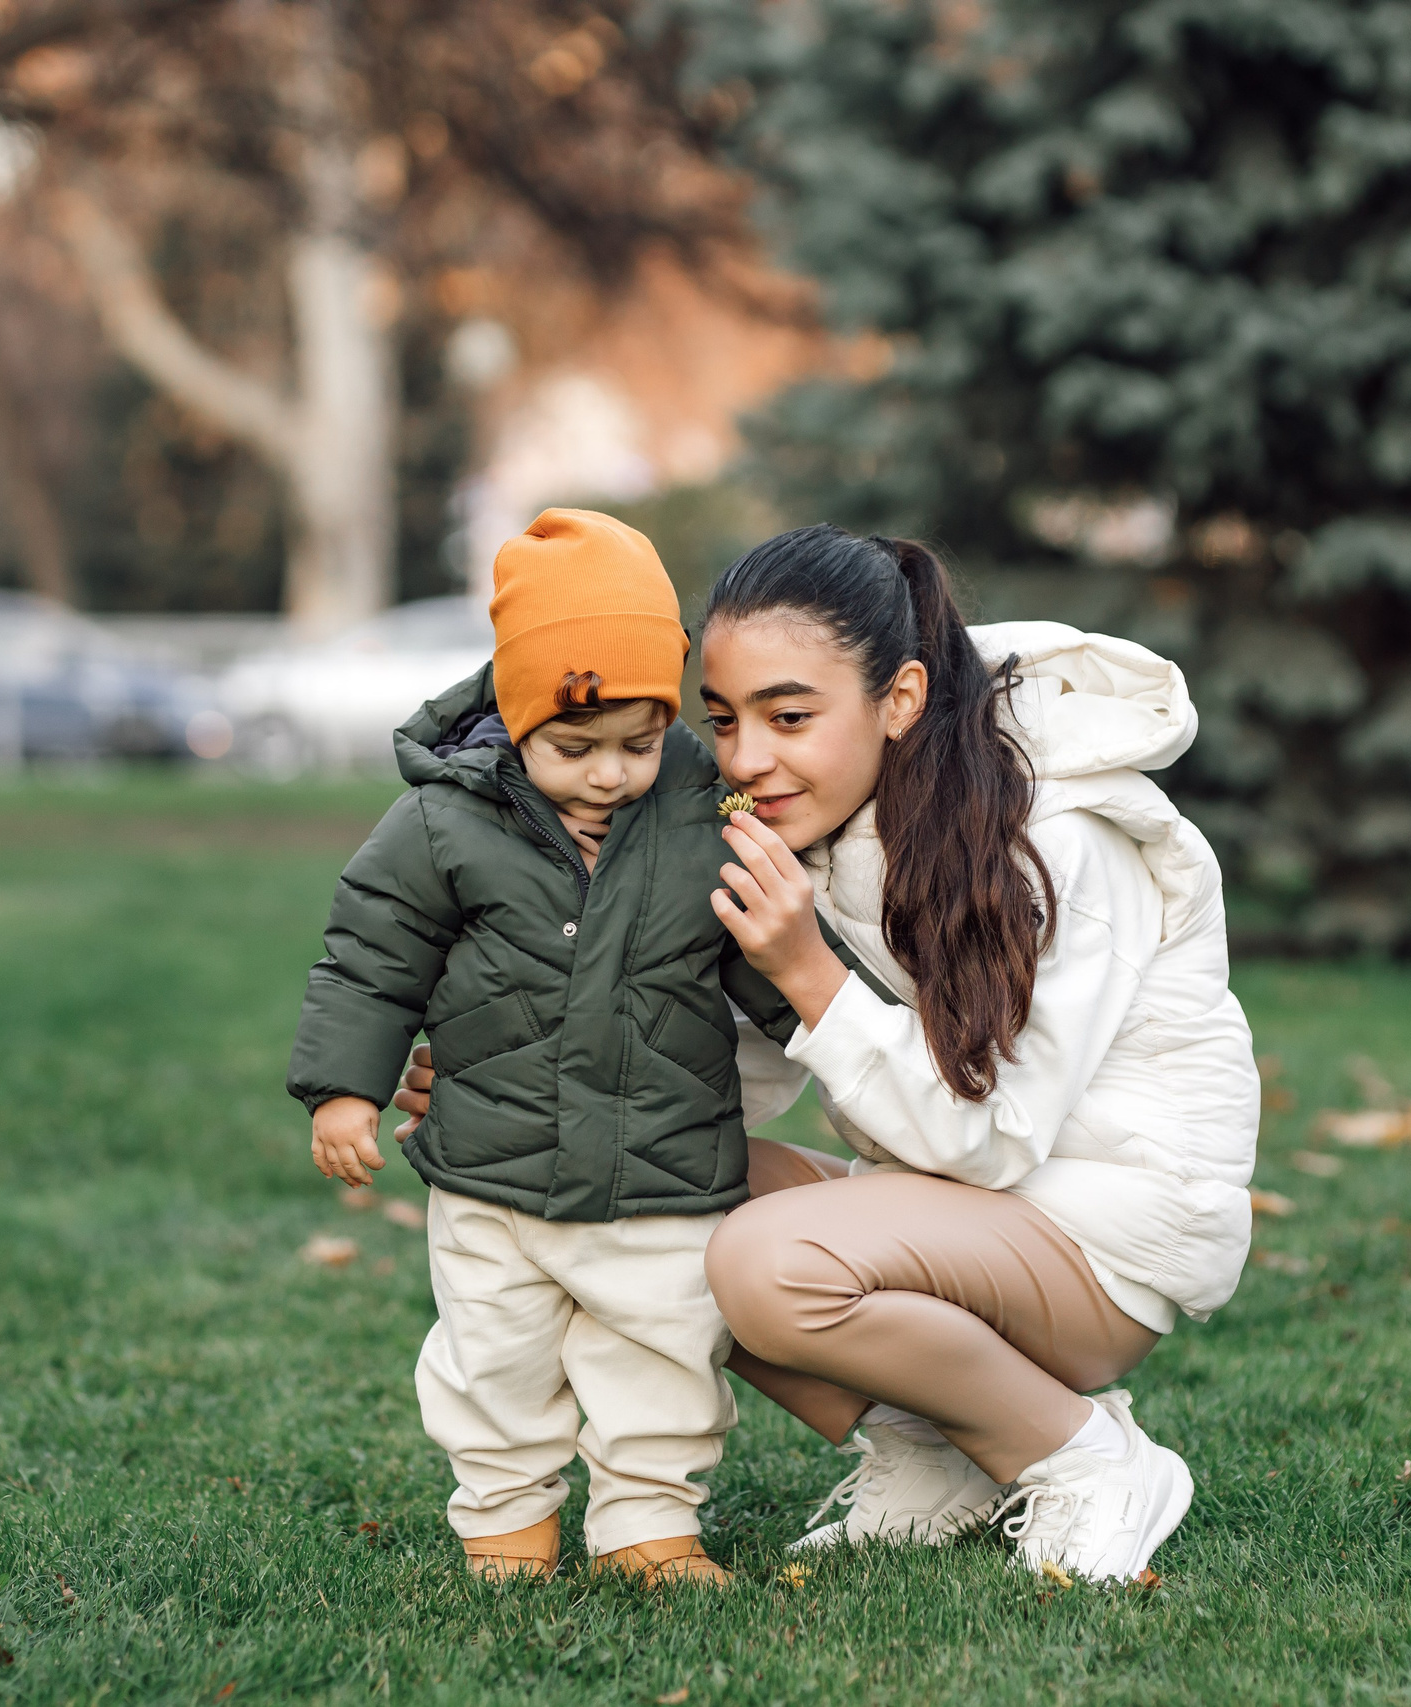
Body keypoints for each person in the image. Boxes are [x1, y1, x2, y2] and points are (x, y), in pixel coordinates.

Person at [397, 522, 1259, 1583]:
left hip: (1105, 1245)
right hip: (959, 1217)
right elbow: (710, 1072)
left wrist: (807, 968)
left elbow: (994, 1140)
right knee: (651, 1185)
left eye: (790, 716)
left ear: (900, 698)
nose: (746, 759)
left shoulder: (1063, 838)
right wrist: (518, 1080)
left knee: (764, 1264)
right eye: (723, 720)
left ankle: (1085, 1457)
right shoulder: (829, 830)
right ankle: (938, 1456)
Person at [287, 509, 793, 1588]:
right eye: (575, 747)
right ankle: (506, 1522)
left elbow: (767, 953)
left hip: (662, 1164)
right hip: (491, 1171)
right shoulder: (443, 823)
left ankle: (647, 1525)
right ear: (518, 716)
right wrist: (343, 1090)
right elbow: (370, 957)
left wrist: (831, 1021)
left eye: (638, 744)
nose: (609, 774)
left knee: (662, 1351)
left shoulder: (705, 810)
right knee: (493, 1357)